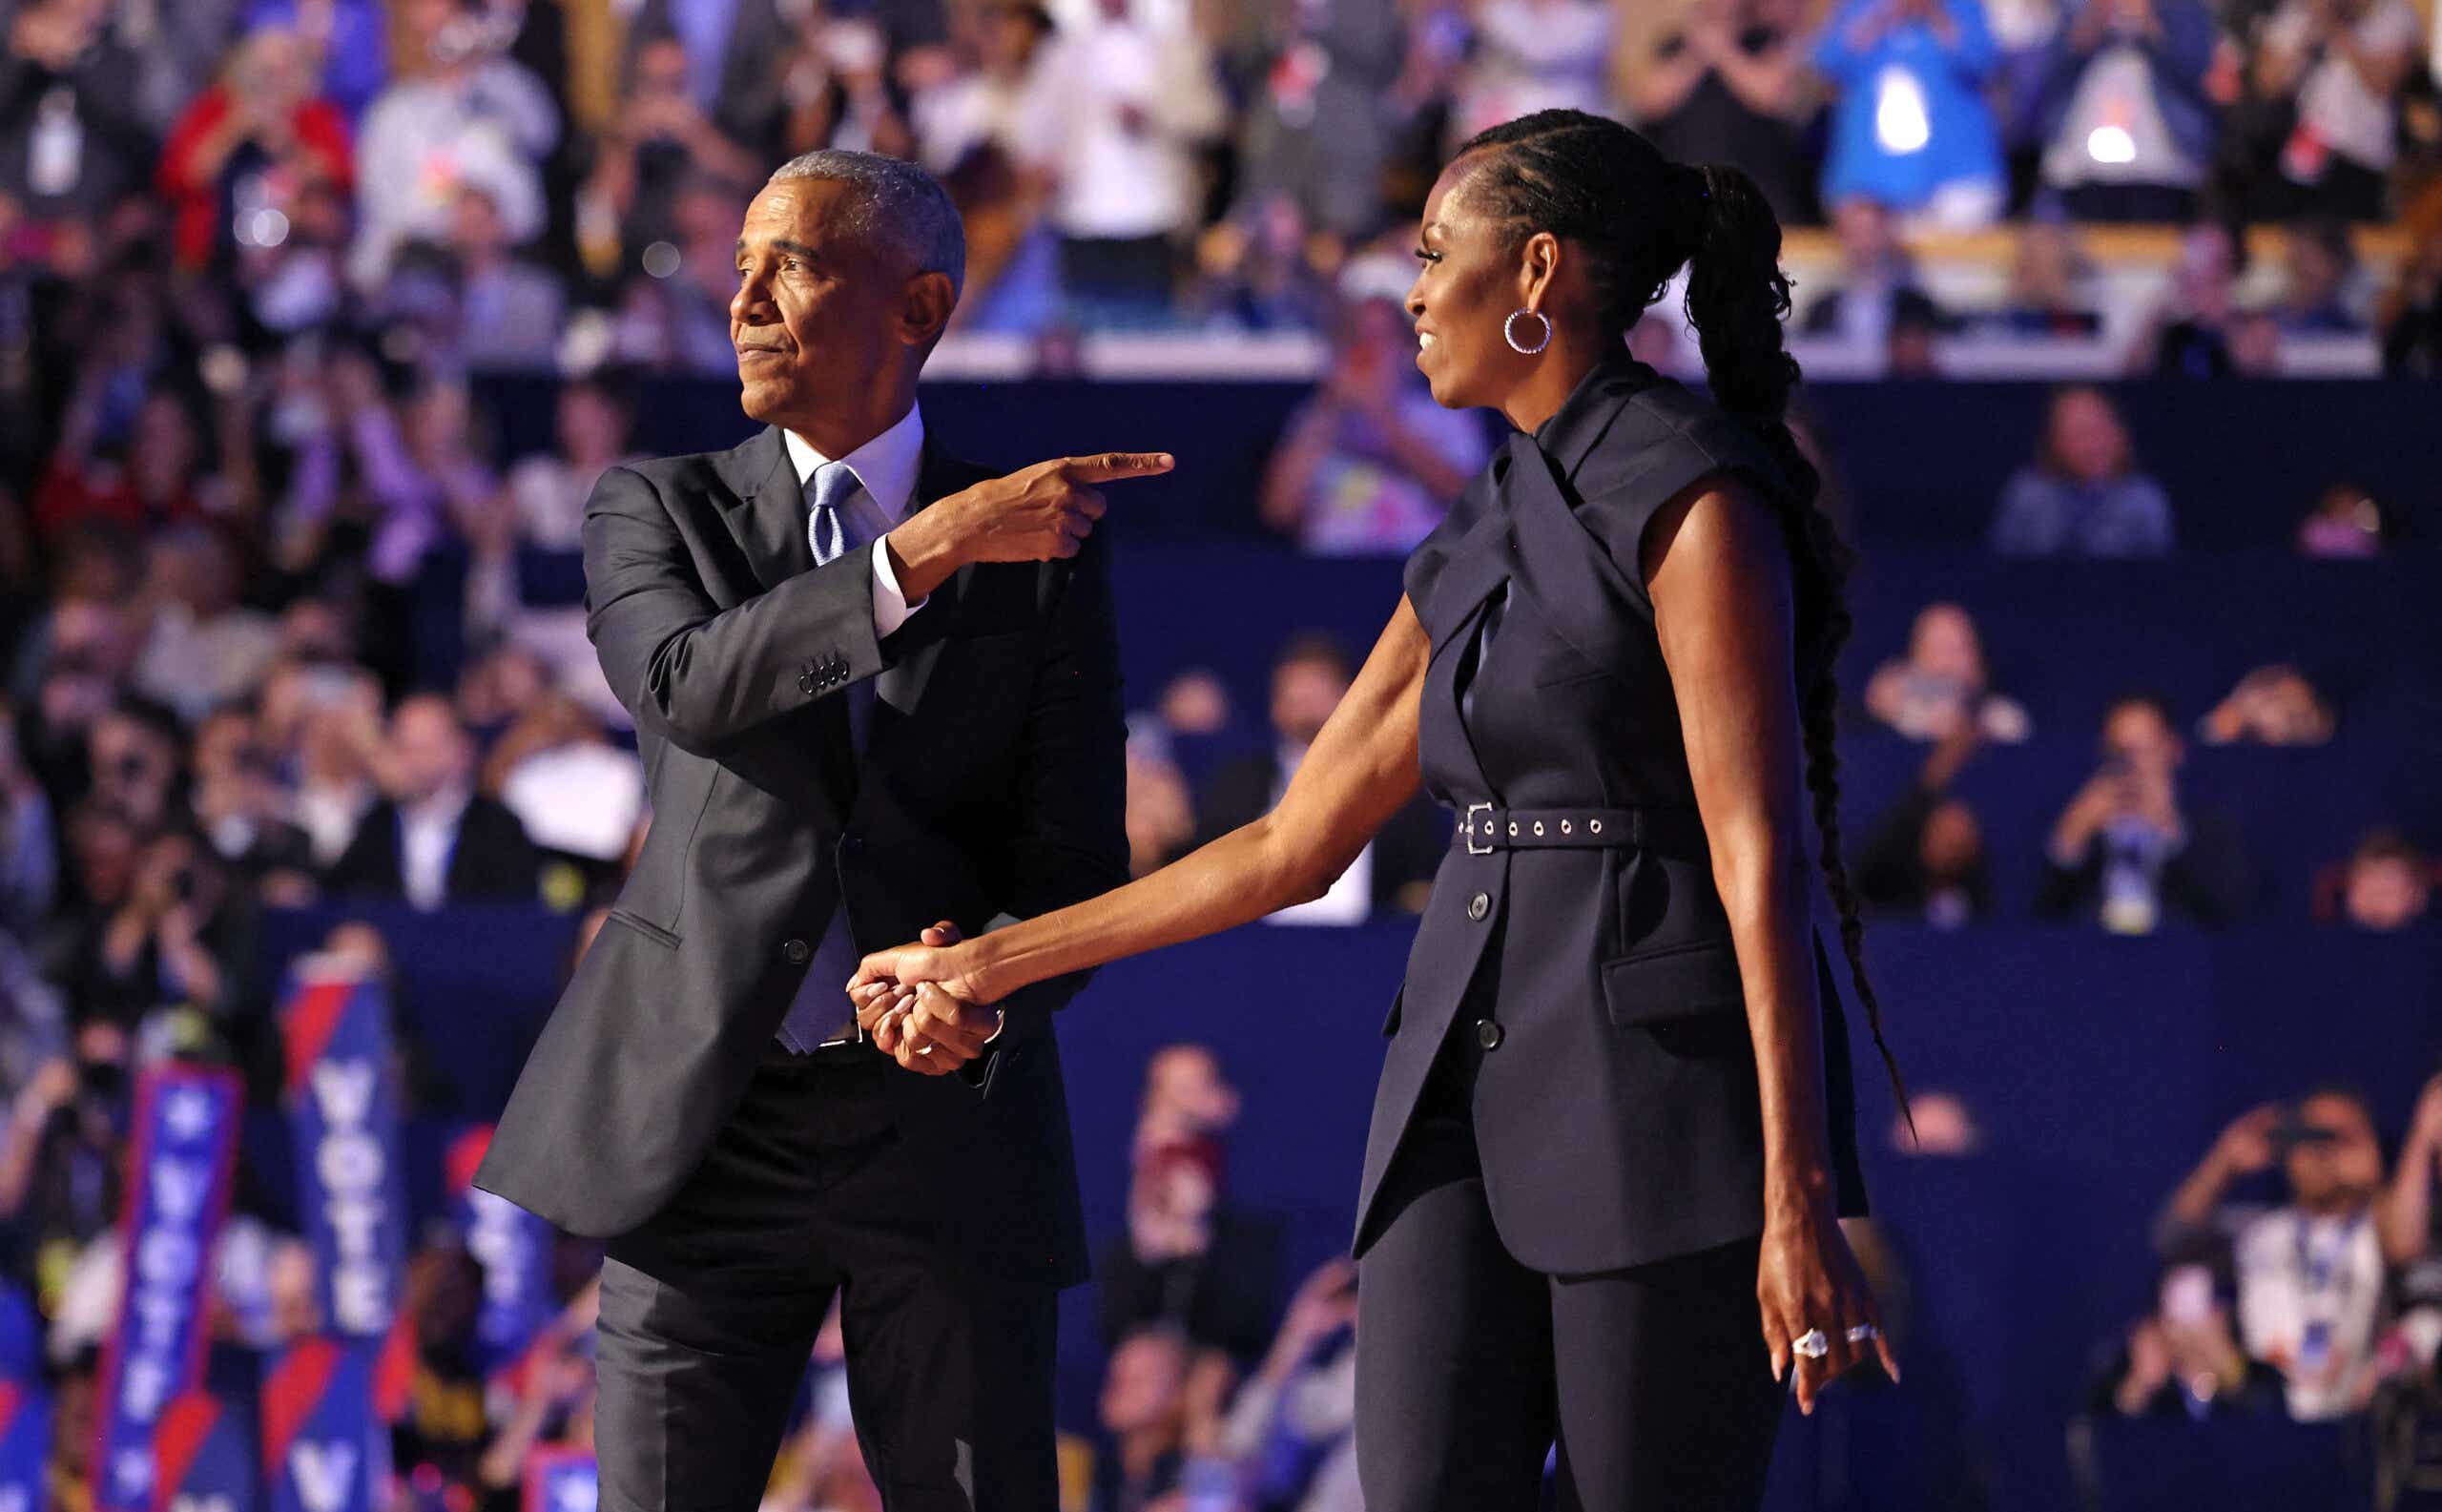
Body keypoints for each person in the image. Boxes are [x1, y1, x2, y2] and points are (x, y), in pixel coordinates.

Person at [854, 110, 1899, 1509]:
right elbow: (1291, 845)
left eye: (1431, 254)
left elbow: (1754, 850)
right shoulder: (1478, 524)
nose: (1406, 293)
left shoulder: (1693, 494)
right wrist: (985, 959)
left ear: (1535, 274)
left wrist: (1793, 1189)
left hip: (1661, 1098)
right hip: (1455, 1083)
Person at [473, 150, 1148, 1510]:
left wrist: (987, 991)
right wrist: (927, 550)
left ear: (919, 306)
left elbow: (1075, 866)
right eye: (739, 266)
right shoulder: (655, 505)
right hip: (700, 1122)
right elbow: (688, 683)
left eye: (792, 263)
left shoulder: (1049, 554)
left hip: (946, 1120)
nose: (745, 300)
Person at [2035, 691, 2249, 930]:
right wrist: (2071, 839)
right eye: (2119, 751)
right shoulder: (2083, 827)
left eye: (2144, 749)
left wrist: (2170, 829)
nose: (2132, 764)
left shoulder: (2208, 827)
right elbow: (2040, 921)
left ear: (2174, 749)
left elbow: (2226, 915)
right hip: (2093, 958)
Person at [1988, 385, 2173, 555]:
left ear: (2119, 436)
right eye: (2080, 434)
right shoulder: (2027, 494)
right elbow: (2000, 567)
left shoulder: (2143, 498)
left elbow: (2161, 577)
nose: (2092, 445)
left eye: (2100, 431)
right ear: (2054, 441)